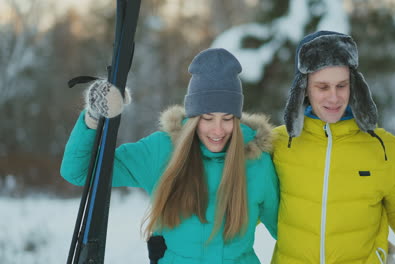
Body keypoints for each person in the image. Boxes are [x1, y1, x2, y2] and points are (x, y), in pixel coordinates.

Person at [60, 48, 279, 263]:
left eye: (228, 118)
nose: (218, 130)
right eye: (208, 118)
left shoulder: (256, 161)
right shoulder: (162, 151)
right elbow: (78, 172)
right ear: (193, 117)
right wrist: (94, 117)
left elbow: (286, 229)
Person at [270, 30, 395, 264]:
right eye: (323, 87)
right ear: (304, 87)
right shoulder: (278, 144)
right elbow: (236, 211)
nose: (334, 98)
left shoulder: (384, 149)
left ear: (354, 85)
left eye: (342, 85)